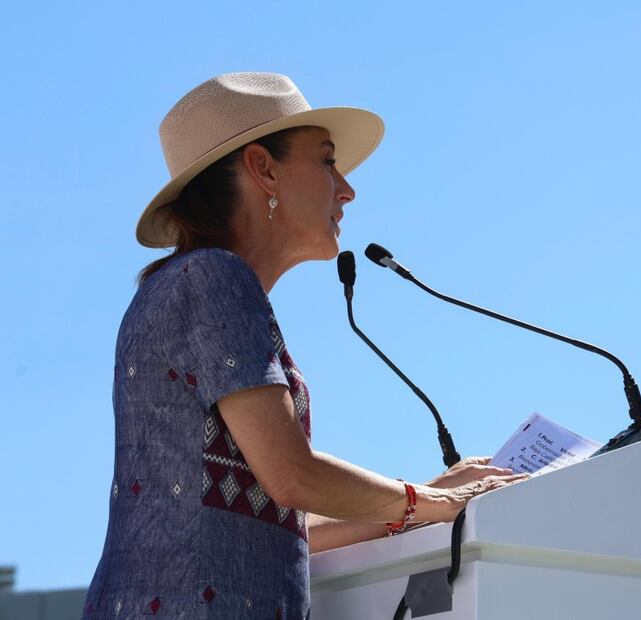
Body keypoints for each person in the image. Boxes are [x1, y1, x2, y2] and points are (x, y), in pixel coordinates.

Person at [82, 72, 526, 619]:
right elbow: (292, 475)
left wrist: (421, 501)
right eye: (326, 160)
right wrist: (429, 500)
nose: (347, 188)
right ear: (263, 169)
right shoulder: (214, 279)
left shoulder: (189, 283)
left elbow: (285, 529)